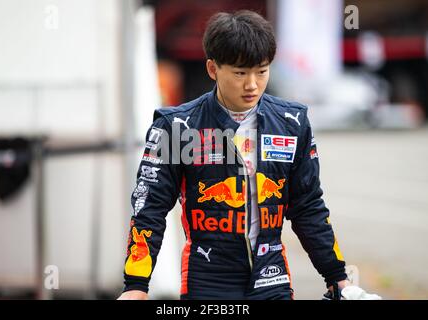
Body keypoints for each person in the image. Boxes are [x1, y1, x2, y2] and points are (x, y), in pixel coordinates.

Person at [118, 10, 381, 300]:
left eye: (262, 71)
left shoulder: (292, 123)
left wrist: (337, 278)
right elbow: (149, 209)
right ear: (212, 69)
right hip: (207, 283)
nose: (252, 84)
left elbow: (308, 207)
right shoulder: (176, 127)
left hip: (273, 281)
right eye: (241, 73)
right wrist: (136, 286)